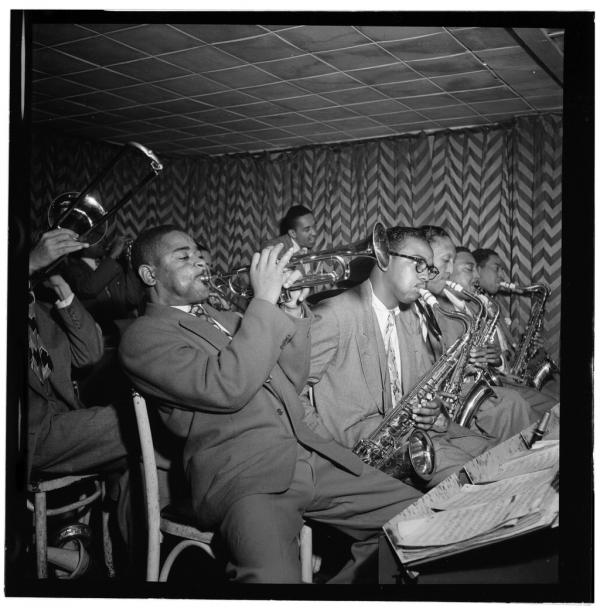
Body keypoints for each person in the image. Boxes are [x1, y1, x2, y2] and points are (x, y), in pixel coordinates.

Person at [118, 224, 424, 584]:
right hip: (245, 474)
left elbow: (292, 380)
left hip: (308, 457)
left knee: (420, 521)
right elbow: (226, 386)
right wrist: (263, 302)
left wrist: (290, 311)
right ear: (149, 274)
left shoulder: (229, 319)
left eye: (198, 254)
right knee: (271, 579)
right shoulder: (143, 337)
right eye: (183, 257)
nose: (200, 263)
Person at [303, 226, 495, 490]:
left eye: (429, 268)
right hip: (359, 450)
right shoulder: (334, 314)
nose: (426, 276)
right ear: (384, 257)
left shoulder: (409, 317)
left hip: (412, 434)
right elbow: (290, 395)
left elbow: (425, 386)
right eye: (418, 263)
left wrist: (432, 409)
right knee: (471, 477)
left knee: (494, 453)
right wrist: (332, 453)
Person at [27, 228, 132, 554]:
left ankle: (131, 547)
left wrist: (61, 287)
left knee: (142, 435)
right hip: (27, 433)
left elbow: (88, 353)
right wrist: (27, 266)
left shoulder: (42, 310)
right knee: (144, 424)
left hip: (58, 424)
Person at [420, 226, 540, 438]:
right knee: (513, 408)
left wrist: (492, 359)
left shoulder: (468, 307)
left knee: (523, 408)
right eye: (469, 268)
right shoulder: (436, 308)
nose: (475, 275)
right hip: (448, 402)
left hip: (470, 392)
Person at [472, 248, 560, 403]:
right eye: (496, 268)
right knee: (552, 402)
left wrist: (526, 347)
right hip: (497, 383)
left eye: (502, 270)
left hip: (510, 376)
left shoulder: (493, 304)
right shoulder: (476, 307)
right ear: (477, 270)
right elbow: (490, 358)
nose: (501, 275)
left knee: (556, 391)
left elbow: (507, 352)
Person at [60, 234, 145, 342]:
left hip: (121, 331)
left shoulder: (114, 266)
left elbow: (132, 299)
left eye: (103, 238)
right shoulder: (72, 268)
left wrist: (130, 264)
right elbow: (89, 288)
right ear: (81, 244)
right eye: (96, 238)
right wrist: (112, 256)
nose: (102, 242)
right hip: (95, 333)